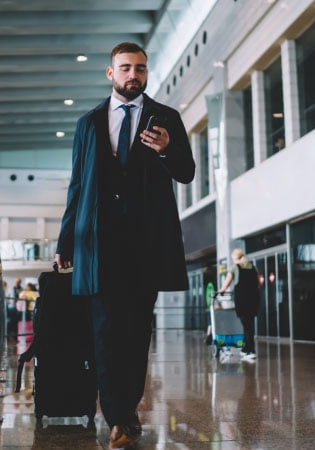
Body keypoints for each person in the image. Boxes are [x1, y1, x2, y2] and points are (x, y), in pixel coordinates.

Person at [55, 42, 195, 449]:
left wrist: (167, 148)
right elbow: (77, 186)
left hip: (146, 244)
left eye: (140, 68)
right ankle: (117, 416)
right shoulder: (88, 123)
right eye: (125, 68)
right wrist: (66, 239)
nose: (133, 75)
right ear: (110, 73)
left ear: (147, 73)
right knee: (104, 332)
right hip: (98, 243)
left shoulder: (166, 118)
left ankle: (126, 410)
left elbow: (186, 172)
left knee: (136, 333)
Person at [217, 248, 260, 360]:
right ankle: (246, 349)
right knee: (249, 324)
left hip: (242, 301)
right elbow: (258, 284)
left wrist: (221, 291)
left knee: (246, 325)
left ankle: (250, 351)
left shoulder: (235, 268)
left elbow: (226, 283)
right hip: (253, 300)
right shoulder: (253, 267)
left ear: (235, 258)